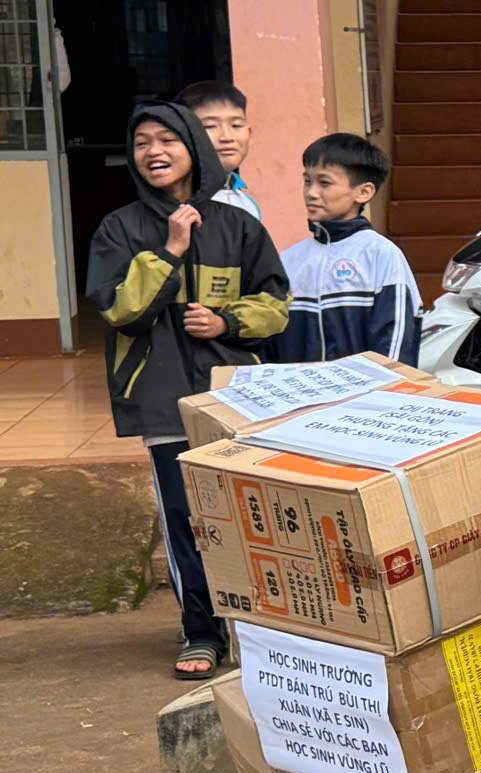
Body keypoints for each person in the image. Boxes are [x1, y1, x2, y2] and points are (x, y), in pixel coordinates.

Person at [86, 100, 290, 680]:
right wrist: (170, 250)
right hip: (164, 399)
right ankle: (201, 630)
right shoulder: (119, 229)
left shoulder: (239, 226)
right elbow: (119, 309)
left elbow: (277, 305)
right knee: (186, 521)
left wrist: (227, 322)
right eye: (141, 142)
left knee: (250, 518)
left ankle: (261, 629)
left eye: (166, 140)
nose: (153, 152)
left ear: (193, 149)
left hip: (237, 398)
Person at [277, 133, 424, 365]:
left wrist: (384, 386)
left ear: (363, 192)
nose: (311, 192)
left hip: (366, 388)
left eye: (325, 183)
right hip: (300, 388)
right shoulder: (288, 259)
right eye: (307, 181)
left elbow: (396, 343)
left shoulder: (381, 254)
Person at [175, 81, 259, 221]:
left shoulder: (246, 203)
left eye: (236, 125)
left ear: (249, 134)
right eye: (210, 126)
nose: (227, 137)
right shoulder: (176, 203)